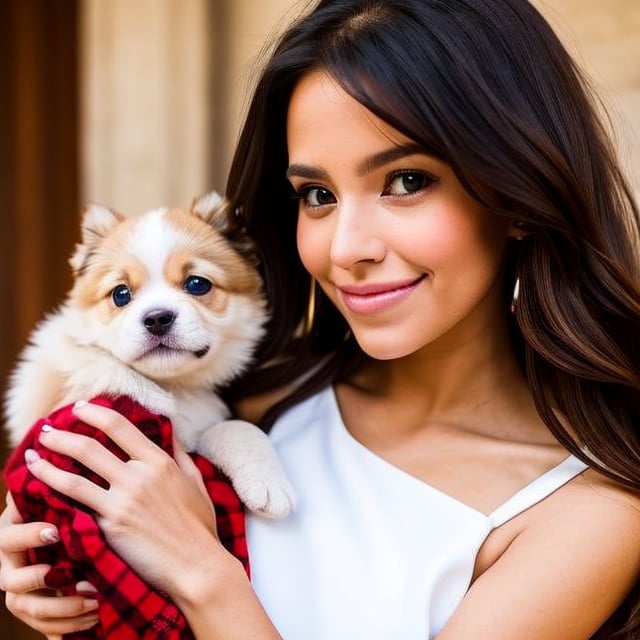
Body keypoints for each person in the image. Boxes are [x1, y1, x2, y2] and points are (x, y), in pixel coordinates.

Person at [2, 0, 640, 637]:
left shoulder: (586, 510)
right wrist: (53, 570)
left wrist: (199, 572)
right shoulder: (247, 403)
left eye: (407, 180)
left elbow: (190, 574)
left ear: (520, 194)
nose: (345, 247)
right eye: (318, 196)